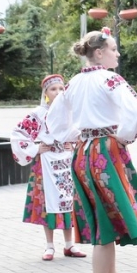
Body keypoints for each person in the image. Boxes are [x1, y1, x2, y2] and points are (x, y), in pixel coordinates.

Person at [46, 28, 137, 273]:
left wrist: (75, 135)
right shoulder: (110, 79)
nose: (117, 53)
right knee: (108, 222)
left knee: (103, 212)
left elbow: (55, 120)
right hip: (106, 151)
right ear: (99, 53)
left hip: (83, 152)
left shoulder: (73, 83)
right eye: (113, 48)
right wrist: (123, 136)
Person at [10, 74, 86, 261]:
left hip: (66, 161)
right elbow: (18, 133)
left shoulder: (71, 113)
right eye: (53, 89)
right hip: (45, 163)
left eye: (61, 89)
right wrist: (36, 148)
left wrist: (74, 144)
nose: (58, 92)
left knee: (69, 200)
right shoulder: (38, 115)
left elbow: (83, 132)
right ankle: (49, 245)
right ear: (45, 93)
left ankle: (70, 244)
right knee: (47, 202)